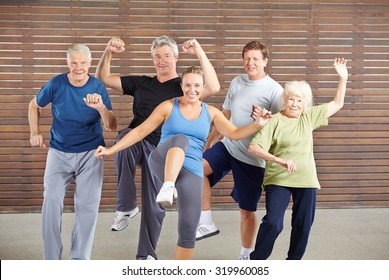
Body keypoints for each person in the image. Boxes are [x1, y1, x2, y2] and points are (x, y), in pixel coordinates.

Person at [95, 66, 271, 259]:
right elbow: (139, 132)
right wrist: (111, 150)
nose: (192, 89)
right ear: (181, 86)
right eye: (187, 85)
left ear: (203, 88)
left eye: (196, 85)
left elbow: (234, 134)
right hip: (161, 162)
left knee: (189, 228)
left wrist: (257, 124)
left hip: (191, 170)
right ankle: (169, 186)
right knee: (181, 139)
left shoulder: (211, 112)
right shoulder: (168, 106)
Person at [96, 36, 221, 259]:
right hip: (137, 141)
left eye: (166, 56)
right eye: (156, 57)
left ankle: (146, 256)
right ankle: (126, 206)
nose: (161, 61)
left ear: (176, 57)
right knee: (124, 139)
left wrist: (199, 51)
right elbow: (103, 77)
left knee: (154, 205)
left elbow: (214, 86)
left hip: (164, 151)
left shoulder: (184, 87)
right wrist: (109, 51)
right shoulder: (141, 83)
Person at [248, 58, 348, 260]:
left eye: (300, 100)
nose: (295, 104)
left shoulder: (308, 116)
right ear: (285, 99)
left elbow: (338, 103)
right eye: (292, 99)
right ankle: (256, 261)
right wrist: (279, 160)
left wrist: (343, 78)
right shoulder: (274, 120)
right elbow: (254, 148)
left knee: (303, 223)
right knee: (274, 222)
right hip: (279, 179)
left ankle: (293, 263)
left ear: (305, 103)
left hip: (306, 179)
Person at [28, 43, 117, 260]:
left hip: (91, 153)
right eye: (74, 62)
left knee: (87, 208)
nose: (79, 67)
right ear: (68, 63)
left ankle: (79, 262)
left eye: (83, 62)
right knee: (51, 201)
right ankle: (51, 260)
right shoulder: (56, 83)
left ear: (90, 63)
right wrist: (34, 133)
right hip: (59, 152)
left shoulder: (97, 87)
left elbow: (112, 125)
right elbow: (34, 105)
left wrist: (101, 109)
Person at [196, 41, 284, 260]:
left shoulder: (275, 90)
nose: (250, 63)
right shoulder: (237, 81)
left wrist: (264, 118)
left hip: (253, 159)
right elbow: (224, 116)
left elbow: (282, 127)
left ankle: (245, 255)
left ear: (265, 61)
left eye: (255, 59)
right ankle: (206, 222)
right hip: (228, 146)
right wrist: (209, 143)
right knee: (194, 169)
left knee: (247, 211)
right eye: (246, 58)